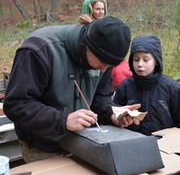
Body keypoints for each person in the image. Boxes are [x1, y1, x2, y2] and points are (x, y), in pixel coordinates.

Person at [3, 16, 140, 163]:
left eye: (110, 66)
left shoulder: (104, 60)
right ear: (87, 45)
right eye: (102, 63)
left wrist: (112, 114)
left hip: (85, 144)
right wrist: (63, 120)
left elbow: (100, 98)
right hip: (43, 148)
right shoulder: (39, 50)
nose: (104, 70)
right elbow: (16, 105)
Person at [113, 35, 180, 135]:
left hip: (163, 143)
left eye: (146, 60)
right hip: (132, 142)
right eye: (136, 59)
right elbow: (115, 115)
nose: (140, 64)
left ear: (156, 61)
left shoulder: (171, 87)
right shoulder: (125, 86)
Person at [79, 0, 132, 90]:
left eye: (103, 9)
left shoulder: (109, 28)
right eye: (97, 9)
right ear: (90, 10)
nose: (101, 12)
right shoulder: (84, 31)